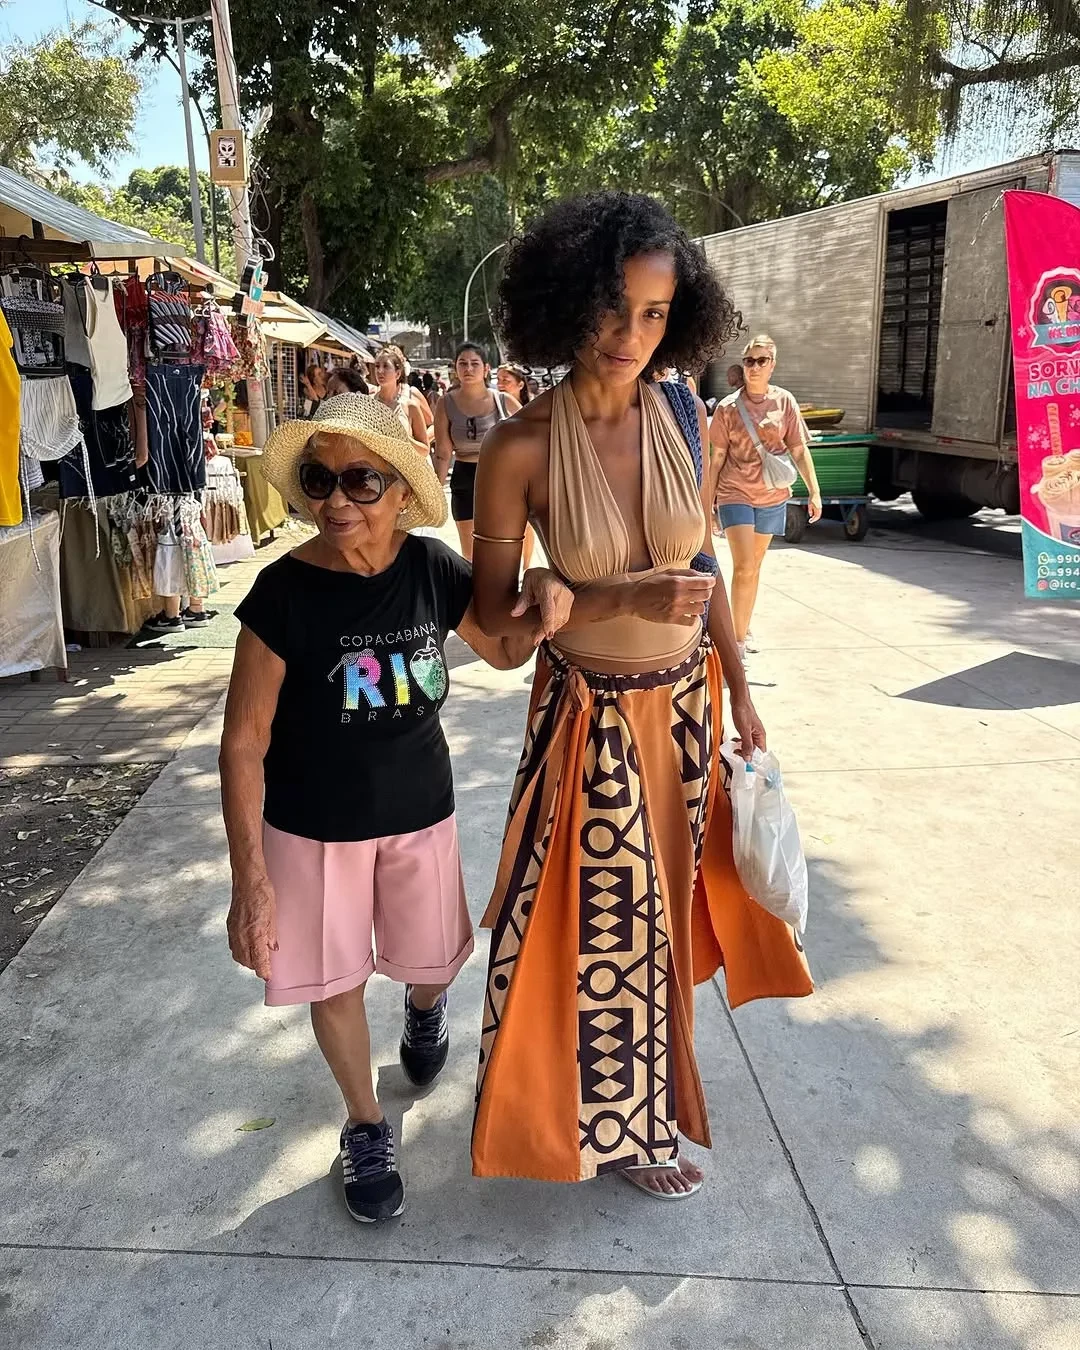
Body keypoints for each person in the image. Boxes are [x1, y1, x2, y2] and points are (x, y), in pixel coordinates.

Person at [470, 193, 812, 1199]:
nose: (630, 335)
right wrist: (600, 598)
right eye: (612, 307)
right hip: (594, 723)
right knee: (605, 931)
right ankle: (618, 1130)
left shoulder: (679, 415)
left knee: (668, 920)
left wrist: (739, 684)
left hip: (687, 709)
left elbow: (699, 566)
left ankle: (644, 1109)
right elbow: (494, 636)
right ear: (566, 301)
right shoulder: (519, 449)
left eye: (655, 314)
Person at [219, 392, 572, 1224]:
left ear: (401, 491)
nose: (337, 500)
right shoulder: (281, 593)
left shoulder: (431, 569)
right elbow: (242, 743)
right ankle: (366, 1124)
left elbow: (502, 650)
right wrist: (250, 881)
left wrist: (542, 583)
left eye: (360, 480)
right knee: (334, 981)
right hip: (312, 828)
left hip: (421, 812)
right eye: (319, 480)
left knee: (433, 960)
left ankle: (423, 1011)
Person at [710, 335, 821, 663]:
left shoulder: (784, 402)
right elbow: (717, 459)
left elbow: (798, 449)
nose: (754, 367)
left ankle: (742, 625)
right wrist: (706, 504)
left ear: (772, 365)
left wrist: (814, 491)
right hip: (734, 492)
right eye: (749, 361)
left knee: (754, 566)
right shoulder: (728, 407)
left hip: (772, 494)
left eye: (762, 361)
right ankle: (736, 644)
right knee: (744, 566)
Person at [434, 343, 520, 560]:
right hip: (463, 476)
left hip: (499, 477)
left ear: (486, 368)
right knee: (470, 550)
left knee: (501, 543)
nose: (468, 369)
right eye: (462, 363)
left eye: (475, 363)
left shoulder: (502, 400)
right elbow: (443, 453)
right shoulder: (445, 403)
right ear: (455, 368)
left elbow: (534, 433)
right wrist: (434, 490)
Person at [496, 364, 538, 570]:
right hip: (503, 469)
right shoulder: (494, 404)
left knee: (527, 522)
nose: (500, 384)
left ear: (520, 385)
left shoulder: (534, 408)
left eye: (506, 380)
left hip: (528, 467)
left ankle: (526, 567)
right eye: (498, 379)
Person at [373, 346, 430, 448]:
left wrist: (404, 440)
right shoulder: (368, 403)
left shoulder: (410, 405)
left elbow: (424, 448)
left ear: (398, 373)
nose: (380, 371)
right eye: (377, 366)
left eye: (386, 366)